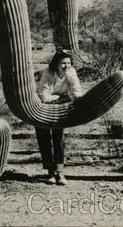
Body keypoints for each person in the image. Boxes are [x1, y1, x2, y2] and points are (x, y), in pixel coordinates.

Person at [35, 50, 82, 185]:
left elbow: (78, 94)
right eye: (63, 63)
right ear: (56, 64)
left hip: (59, 109)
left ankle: (60, 172)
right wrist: (63, 97)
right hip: (40, 109)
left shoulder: (71, 72)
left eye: (68, 63)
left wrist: (58, 100)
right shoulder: (47, 73)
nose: (66, 66)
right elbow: (43, 97)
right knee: (44, 139)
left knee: (58, 139)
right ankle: (50, 172)